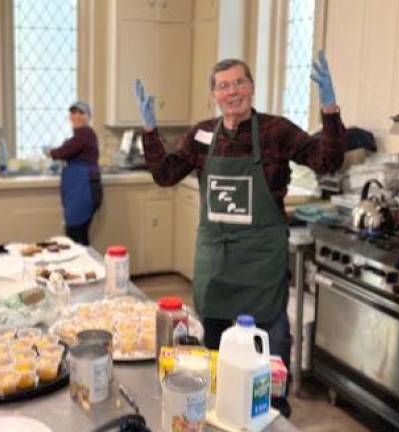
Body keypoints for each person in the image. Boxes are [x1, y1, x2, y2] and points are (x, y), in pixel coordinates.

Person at [135, 51, 347, 416]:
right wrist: (151, 134)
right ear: (213, 95)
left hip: (261, 261)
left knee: (270, 346)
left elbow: (327, 160)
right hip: (216, 259)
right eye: (223, 85)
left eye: (239, 82)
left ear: (251, 87)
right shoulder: (201, 135)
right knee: (216, 346)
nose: (232, 91)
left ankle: (272, 415)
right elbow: (165, 175)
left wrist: (329, 109)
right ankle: (221, 412)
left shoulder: (277, 131)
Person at [45, 101, 103, 245]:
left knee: (76, 236)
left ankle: (84, 267)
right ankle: (84, 267)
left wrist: (50, 152)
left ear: (88, 116)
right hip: (81, 191)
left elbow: (63, 152)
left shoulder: (85, 133)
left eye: (81, 113)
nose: (76, 116)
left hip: (84, 191)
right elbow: (69, 148)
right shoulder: (80, 136)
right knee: (78, 236)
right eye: (73, 112)